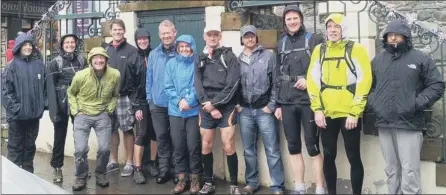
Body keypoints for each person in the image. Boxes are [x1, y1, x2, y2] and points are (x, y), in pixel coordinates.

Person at [369, 19, 445, 194]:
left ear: (406, 36)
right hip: (384, 123)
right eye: (390, 35)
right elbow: (368, 86)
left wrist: (415, 103)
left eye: (397, 35)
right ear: (386, 38)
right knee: (391, 169)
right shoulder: (378, 60)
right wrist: (375, 103)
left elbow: (437, 85)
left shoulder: (420, 58)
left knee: (410, 171)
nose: (393, 38)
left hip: (409, 123)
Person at [306, 13, 373, 195]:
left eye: (337, 26)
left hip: (349, 113)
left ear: (344, 29)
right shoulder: (319, 50)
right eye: (329, 27)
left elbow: (364, 81)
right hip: (327, 113)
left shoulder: (356, 49)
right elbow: (312, 81)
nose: (333, 30)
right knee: (328, 155)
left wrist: (355, 112)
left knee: (353, 156)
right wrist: (317, 110)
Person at [273, 5, 326, 194]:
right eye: (288, 19)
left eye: (295, 18)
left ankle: (320, 187)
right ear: (284, 22)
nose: (292, 22)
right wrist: (277, 104)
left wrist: (309, 81)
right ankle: (299, 187)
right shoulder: (281, 43)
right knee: (293, 146)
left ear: (301, 20)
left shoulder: (315, 40)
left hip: (308, 102)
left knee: (312, 146)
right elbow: (277, 75)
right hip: (287, 102)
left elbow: (324, 70)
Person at [237, 25, 285, 195]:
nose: (249, 39)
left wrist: (271, 105)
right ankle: (251, 183)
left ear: (256, 38)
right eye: (246, 36)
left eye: (252, 36)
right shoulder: (238, 59)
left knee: (272, 150)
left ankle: (277, 186)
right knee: (249, 150)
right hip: (246, 111)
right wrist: (238, 105)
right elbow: (234, 85)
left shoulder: (268, 56)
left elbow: (276, 82)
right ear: (242, 39)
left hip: (265, 110)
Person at [194, 25, 241, 195]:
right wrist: (209, 105)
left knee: (228, 145)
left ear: (220, 36)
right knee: (206, 145)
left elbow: (233, 84)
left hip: (226, 107)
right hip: (206, 107)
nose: (212, 38)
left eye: (215, 35)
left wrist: (216, 104)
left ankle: (234, 184)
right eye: (209, 35)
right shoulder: (199, 57)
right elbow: (197, 84)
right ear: (204, 36)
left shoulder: (229, 56)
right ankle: (208, 183)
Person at [68, 47, 120, 191]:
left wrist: (110, 109)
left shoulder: (115, 75)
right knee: (80, 149)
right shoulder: (80, 75)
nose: (99, 60)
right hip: (82, 114)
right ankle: (81, 176)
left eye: (102, 58)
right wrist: (75, 111)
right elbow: (71, 93)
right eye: (95, 58)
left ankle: (101, 173)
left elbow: (115, 94)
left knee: (104, 148)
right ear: (90, 60)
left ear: (106, 60)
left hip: (102, 114)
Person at [1, 33, 46, 174]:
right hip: (16, 118)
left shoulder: (39, 65)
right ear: (19, 47)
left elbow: (45, 89)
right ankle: (13, 179)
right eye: (24, 45)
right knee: (15, 148)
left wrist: (41, 106)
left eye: (30, 45)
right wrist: (17, 109)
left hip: (33, 116)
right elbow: (5, 91)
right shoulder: (11, 67)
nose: (27, 47)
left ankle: (28, 176)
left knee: (30, 147)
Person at [164, 34, 203, 194]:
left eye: (188, 46)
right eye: (182, 47)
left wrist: (190, 101)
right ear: (177, 48)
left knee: (193, 146)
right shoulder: (171, 63)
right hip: (176, 111)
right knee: (178, 145)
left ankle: (195, 178)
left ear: (192, 47)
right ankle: (181, 178)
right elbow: (168, 86)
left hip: (193, 111)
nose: (185, 49)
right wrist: (179, 101)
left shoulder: (197, 62)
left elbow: (199, 85)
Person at [46, 34, 87, 183]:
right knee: (59, 137)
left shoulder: (82, 60)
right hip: (61, 103)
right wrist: (53, 111)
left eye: (72, 42)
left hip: (80, 102)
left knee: (80, 137)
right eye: (67, 42)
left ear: (76, 44)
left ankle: (81, 167)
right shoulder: (54, 63)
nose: (70, 44)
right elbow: (50, 87)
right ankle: (57, 168)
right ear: (62, 45)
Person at [103, 19, 139, 177]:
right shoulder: (105, 49)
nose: (117, 32)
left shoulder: (132, 50)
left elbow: (136, 75)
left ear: (124, 31)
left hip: (125, 96)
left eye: (120, 30)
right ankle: (113, 160)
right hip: (108, 97)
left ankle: (130, 162)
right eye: (115, 30)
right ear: (111, 32)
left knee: (128, 130)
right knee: (111, 129)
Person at [146, 19, 177, 184]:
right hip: (157, 103)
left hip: (177, 103)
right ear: (160, 35)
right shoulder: (153, 54)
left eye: (168, 33)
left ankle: (177, 170)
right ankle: (164, 170)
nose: (166, 36)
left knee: (177, 137)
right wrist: (150, 99)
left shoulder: (182, 50)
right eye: (163, 33)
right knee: (162, 136)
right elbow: (149, 78)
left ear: (174, 33)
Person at [131, 27, 159, 184]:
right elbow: (130, 86)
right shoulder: (132, 58)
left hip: (155, 101)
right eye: (139, 39)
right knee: (141, 134)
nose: (142, 41)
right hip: (141, 102)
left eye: (145, 38)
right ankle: (138, 168)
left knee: (155, 134)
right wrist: (136, 107)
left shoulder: (155, 55)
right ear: (136, 40)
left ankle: (152, 163)